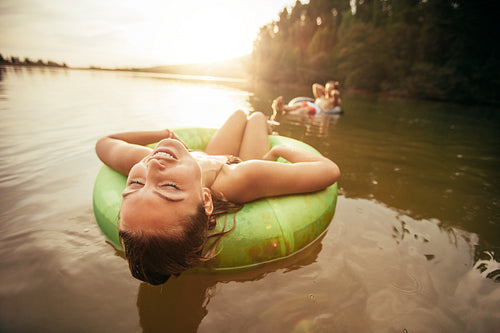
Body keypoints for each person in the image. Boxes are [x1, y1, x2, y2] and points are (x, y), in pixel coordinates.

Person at [95, 110, 340, 285]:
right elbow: (329, 171)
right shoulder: (242, 178)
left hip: (206, 155)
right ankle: (268, 127)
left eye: (135, 184)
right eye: (169, 187)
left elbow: (105, 143)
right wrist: (278, 150)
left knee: (237, 114)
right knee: (255, 117)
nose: (153, 168)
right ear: (206, 199)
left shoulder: (146, 165)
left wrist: (163, 134)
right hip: (233, 164)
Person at [272, 81, 342, 122]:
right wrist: (325, 90)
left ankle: (283, 115)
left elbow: (337, 99)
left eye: (330, 88)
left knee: (303, 110)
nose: (328, 90)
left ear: (334, 89)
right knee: (297, 105)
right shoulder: (320, 96)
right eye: (327, 87)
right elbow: (315, 86)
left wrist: (334, 94)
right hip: (311, 104)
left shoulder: (332, 99)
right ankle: (281, 108)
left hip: (318, 110)